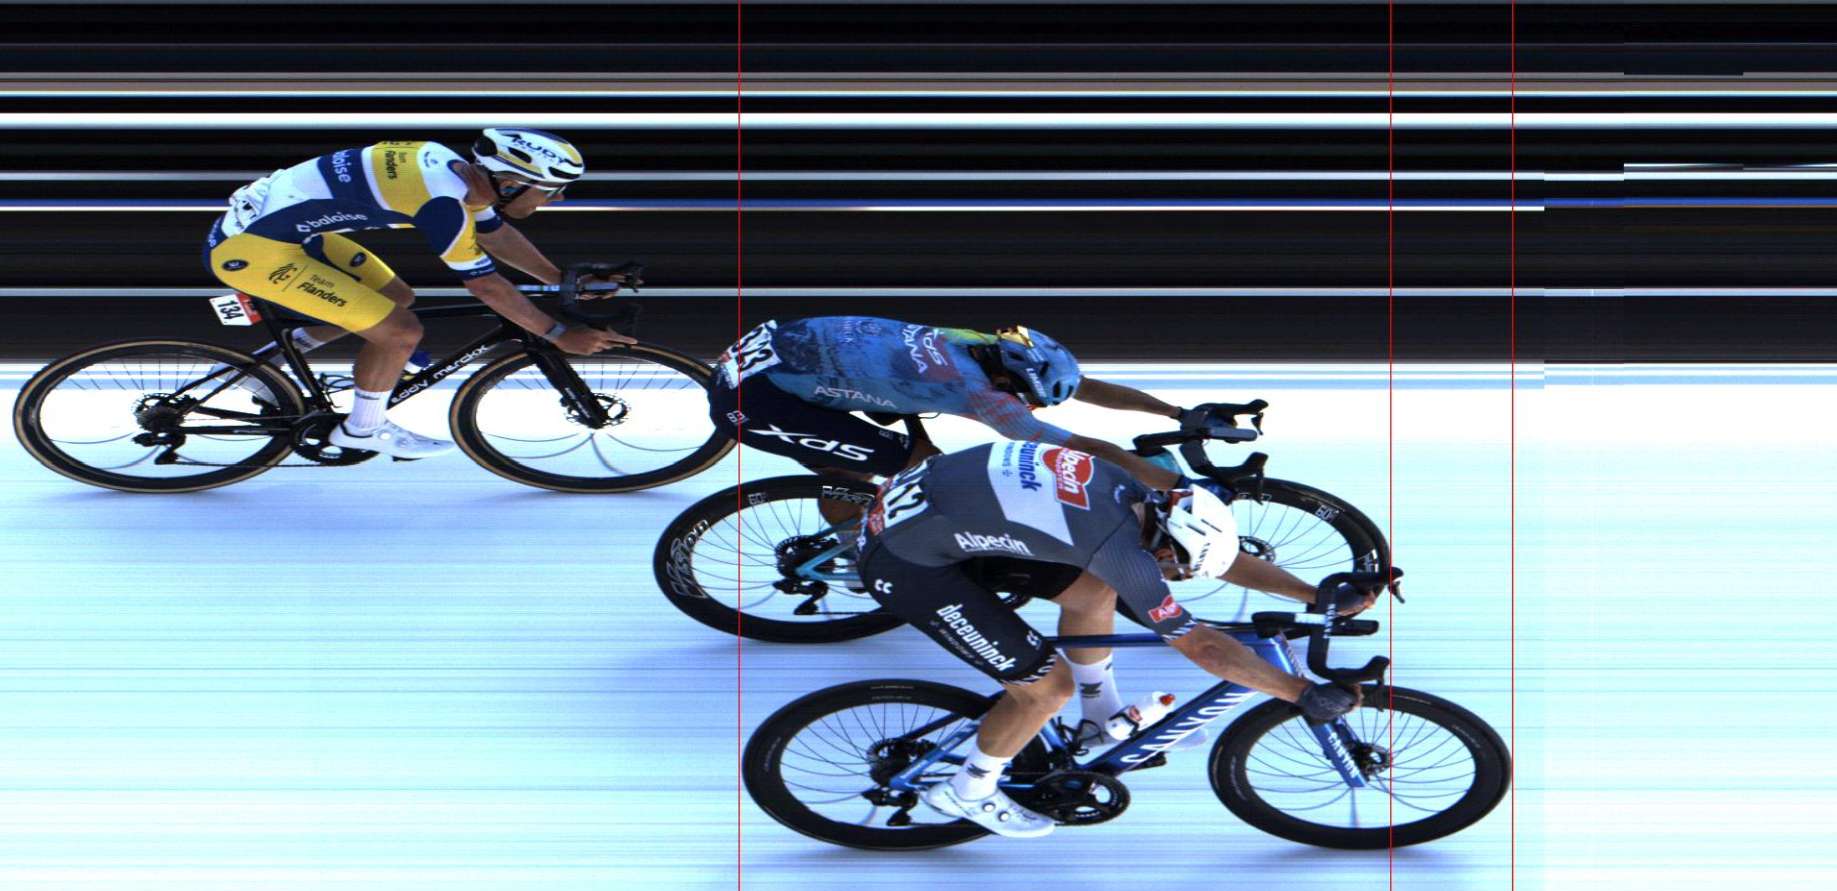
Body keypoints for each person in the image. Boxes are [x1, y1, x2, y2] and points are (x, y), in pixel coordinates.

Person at [855, 441, 1376, 839]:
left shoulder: (1135, 492)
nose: (1175, 578)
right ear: (1165, 550)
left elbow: (1219, 558)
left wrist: (1315, 595)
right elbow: (1203, 646)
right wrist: (1300, 693)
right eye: (1179, 572)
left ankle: (1100, 715)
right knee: (1045, 688)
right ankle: (968, 789)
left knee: (1092, 588)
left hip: (922, 515)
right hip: (905, 563)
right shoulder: (1120, 549)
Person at [204, 127, 634, 458]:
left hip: (277, 235)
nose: (558, 199)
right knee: (400, 332)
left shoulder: (451, 168)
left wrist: (560, 279)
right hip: (254, 253)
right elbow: (486, 286)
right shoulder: (443, 204)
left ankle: (262, 369)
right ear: (509, 183)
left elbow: (495, 233)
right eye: (551, 190)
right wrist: (558, 334)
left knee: (396, 297)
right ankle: (362, 429)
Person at [708, 317, 1192, 496]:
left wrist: (1176, 413)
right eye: (1028, 399)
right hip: (754, 400)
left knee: (877, 460)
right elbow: (1093, 451)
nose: (1029, 408)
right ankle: (857, 550)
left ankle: (851, 517)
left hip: (767, 348)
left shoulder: (976, 341)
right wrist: (1180, 487)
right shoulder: (985, 397)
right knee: (925, 470)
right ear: (1005, 381)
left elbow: (1081, 385)